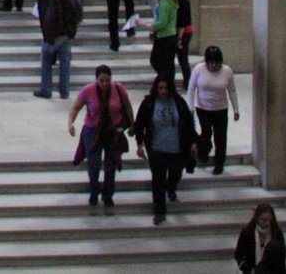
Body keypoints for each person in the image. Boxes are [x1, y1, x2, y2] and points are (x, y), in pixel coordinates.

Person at [132, 73, 198, 224]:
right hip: (156, 149)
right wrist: (139, 144)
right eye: (160, 88)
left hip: (176, 149)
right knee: (158, 180)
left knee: (175, 174)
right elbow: (140, 124)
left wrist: (193, 142)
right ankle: (159, 211)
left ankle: (171, 187)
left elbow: (189, 123)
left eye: (166, 88)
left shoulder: (178, 102)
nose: (163, 92)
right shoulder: (149, 103)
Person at [66, 64, 132, 211]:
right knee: (93, 163)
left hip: (112, 131)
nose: (105, 83)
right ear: (96, 79)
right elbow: (75, 108)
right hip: (93, 131)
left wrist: (132, 124)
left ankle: (108, 194)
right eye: (101, 80)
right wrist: (70, 123)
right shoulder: (88, 90)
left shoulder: (118, 89)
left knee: (111, 165)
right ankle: (94, 190)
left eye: (107, 80)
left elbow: (127, 106)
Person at [187, 44, 239, 174]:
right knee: (206, 134)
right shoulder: (199, 69)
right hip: (203, 108)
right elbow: (191, 88)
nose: (214, 66)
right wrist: (190, 106)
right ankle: (203, 153)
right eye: (211, 63)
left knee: (220, 137)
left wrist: (236, 109)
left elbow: (232, 91)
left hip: (220, 109)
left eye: (217, 63)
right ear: (207, 62)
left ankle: (219, 163)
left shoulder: (227, 71)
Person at [32, 0, 82, 100]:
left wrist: (48, 33)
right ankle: (64, 92)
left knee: (46, 59)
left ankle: (46, 89)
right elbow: (79, 11)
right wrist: (73, 27)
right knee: (65, 62)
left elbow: (50, 15)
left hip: (55, 33)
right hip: (68, 33)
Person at [235, 201, 286, 273]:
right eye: (264, 220)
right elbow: (239, 255)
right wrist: (250, 270)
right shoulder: (247, 232)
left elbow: (282, 256)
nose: (267, 223)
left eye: (270, 220)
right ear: (257, 218)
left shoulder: (276, 233)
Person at [150, 0, 179, 86]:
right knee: (169, 62)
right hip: (172, 35)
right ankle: (167, 81)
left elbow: (163, 22)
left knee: (155, 60)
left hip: (164, 36)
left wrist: (151, 26)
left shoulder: (163, 2)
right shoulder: (172, 1)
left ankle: (164, 79)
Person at [174, 0, 196, 82]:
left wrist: (179, 38)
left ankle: (188, 82)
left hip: (184, 32)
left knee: (183, 59)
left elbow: (181, 21)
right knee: (183, 59)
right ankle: (187, 81)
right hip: (188, 30)